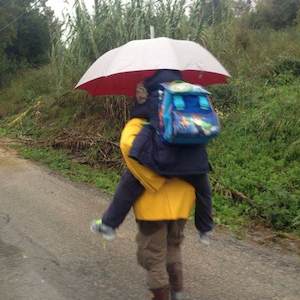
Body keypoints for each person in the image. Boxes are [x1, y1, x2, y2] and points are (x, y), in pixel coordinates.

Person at [91, 70, 213, 244]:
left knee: (130, 182)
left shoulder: (156, 95)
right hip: (195, 161)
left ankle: (109, 225)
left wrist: (141, 94)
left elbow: (140, 115)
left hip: (165, 160)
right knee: (204, 191)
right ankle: (205, 230)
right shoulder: (191, 92)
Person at [122, 116, 196, 300]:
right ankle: (177, 293)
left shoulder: (140, 123)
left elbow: (127, 144)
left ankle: (160, 295)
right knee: (173, 246)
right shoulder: (186, 120)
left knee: (151, 254)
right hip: (182, 199)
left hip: (153, 203)